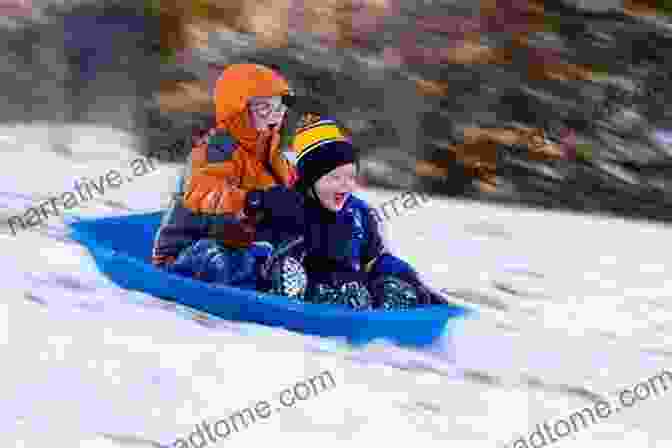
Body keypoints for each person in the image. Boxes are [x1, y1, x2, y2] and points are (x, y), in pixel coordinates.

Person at [247, 116, 445, 310]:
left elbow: (375, 261)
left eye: (351, 177)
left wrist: (412, 282)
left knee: (385, 283)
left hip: (352, 290)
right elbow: (264, 248)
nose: (346, 185)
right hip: (304, 287)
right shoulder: (287, 205)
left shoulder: (359, 213)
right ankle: (304, 294)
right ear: (310, 180)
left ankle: (393, 300)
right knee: (289, 261)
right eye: (335, 178)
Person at [150, 63, 304, 289]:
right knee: (229, 261)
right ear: (238, 110)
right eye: (263, 108)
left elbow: (294, 189)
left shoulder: (272, 157)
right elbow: (202, 192)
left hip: (245, 243)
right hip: (189, 250)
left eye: (279, 107)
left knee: (303, 244)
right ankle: (266, 283)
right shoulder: (213, 149)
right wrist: (254, 199)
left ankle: (315, 286)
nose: (274, 116)